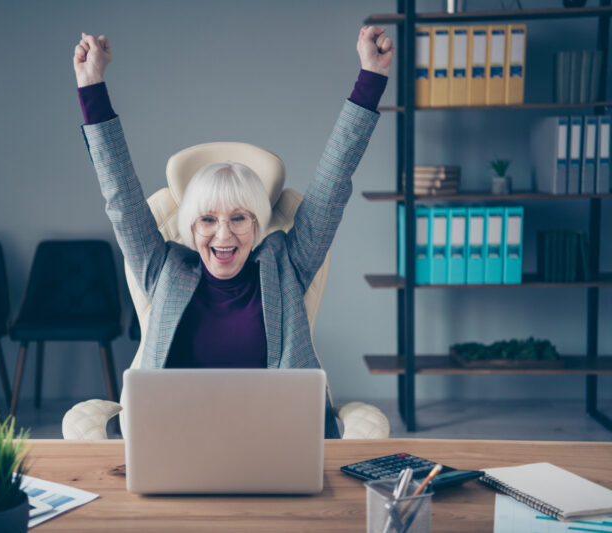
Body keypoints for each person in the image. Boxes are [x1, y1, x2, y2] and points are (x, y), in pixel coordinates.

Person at [74, 27, 392, 438]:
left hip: (275, 437)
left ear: (257, 223)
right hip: (175, 437)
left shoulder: (287, 266)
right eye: (208, 220)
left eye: (238, 218)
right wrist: (91, 84)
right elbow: (120, 196)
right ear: (191, 227)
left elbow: (334, 184)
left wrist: (371, 77)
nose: (223, 235)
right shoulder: (163, 267)